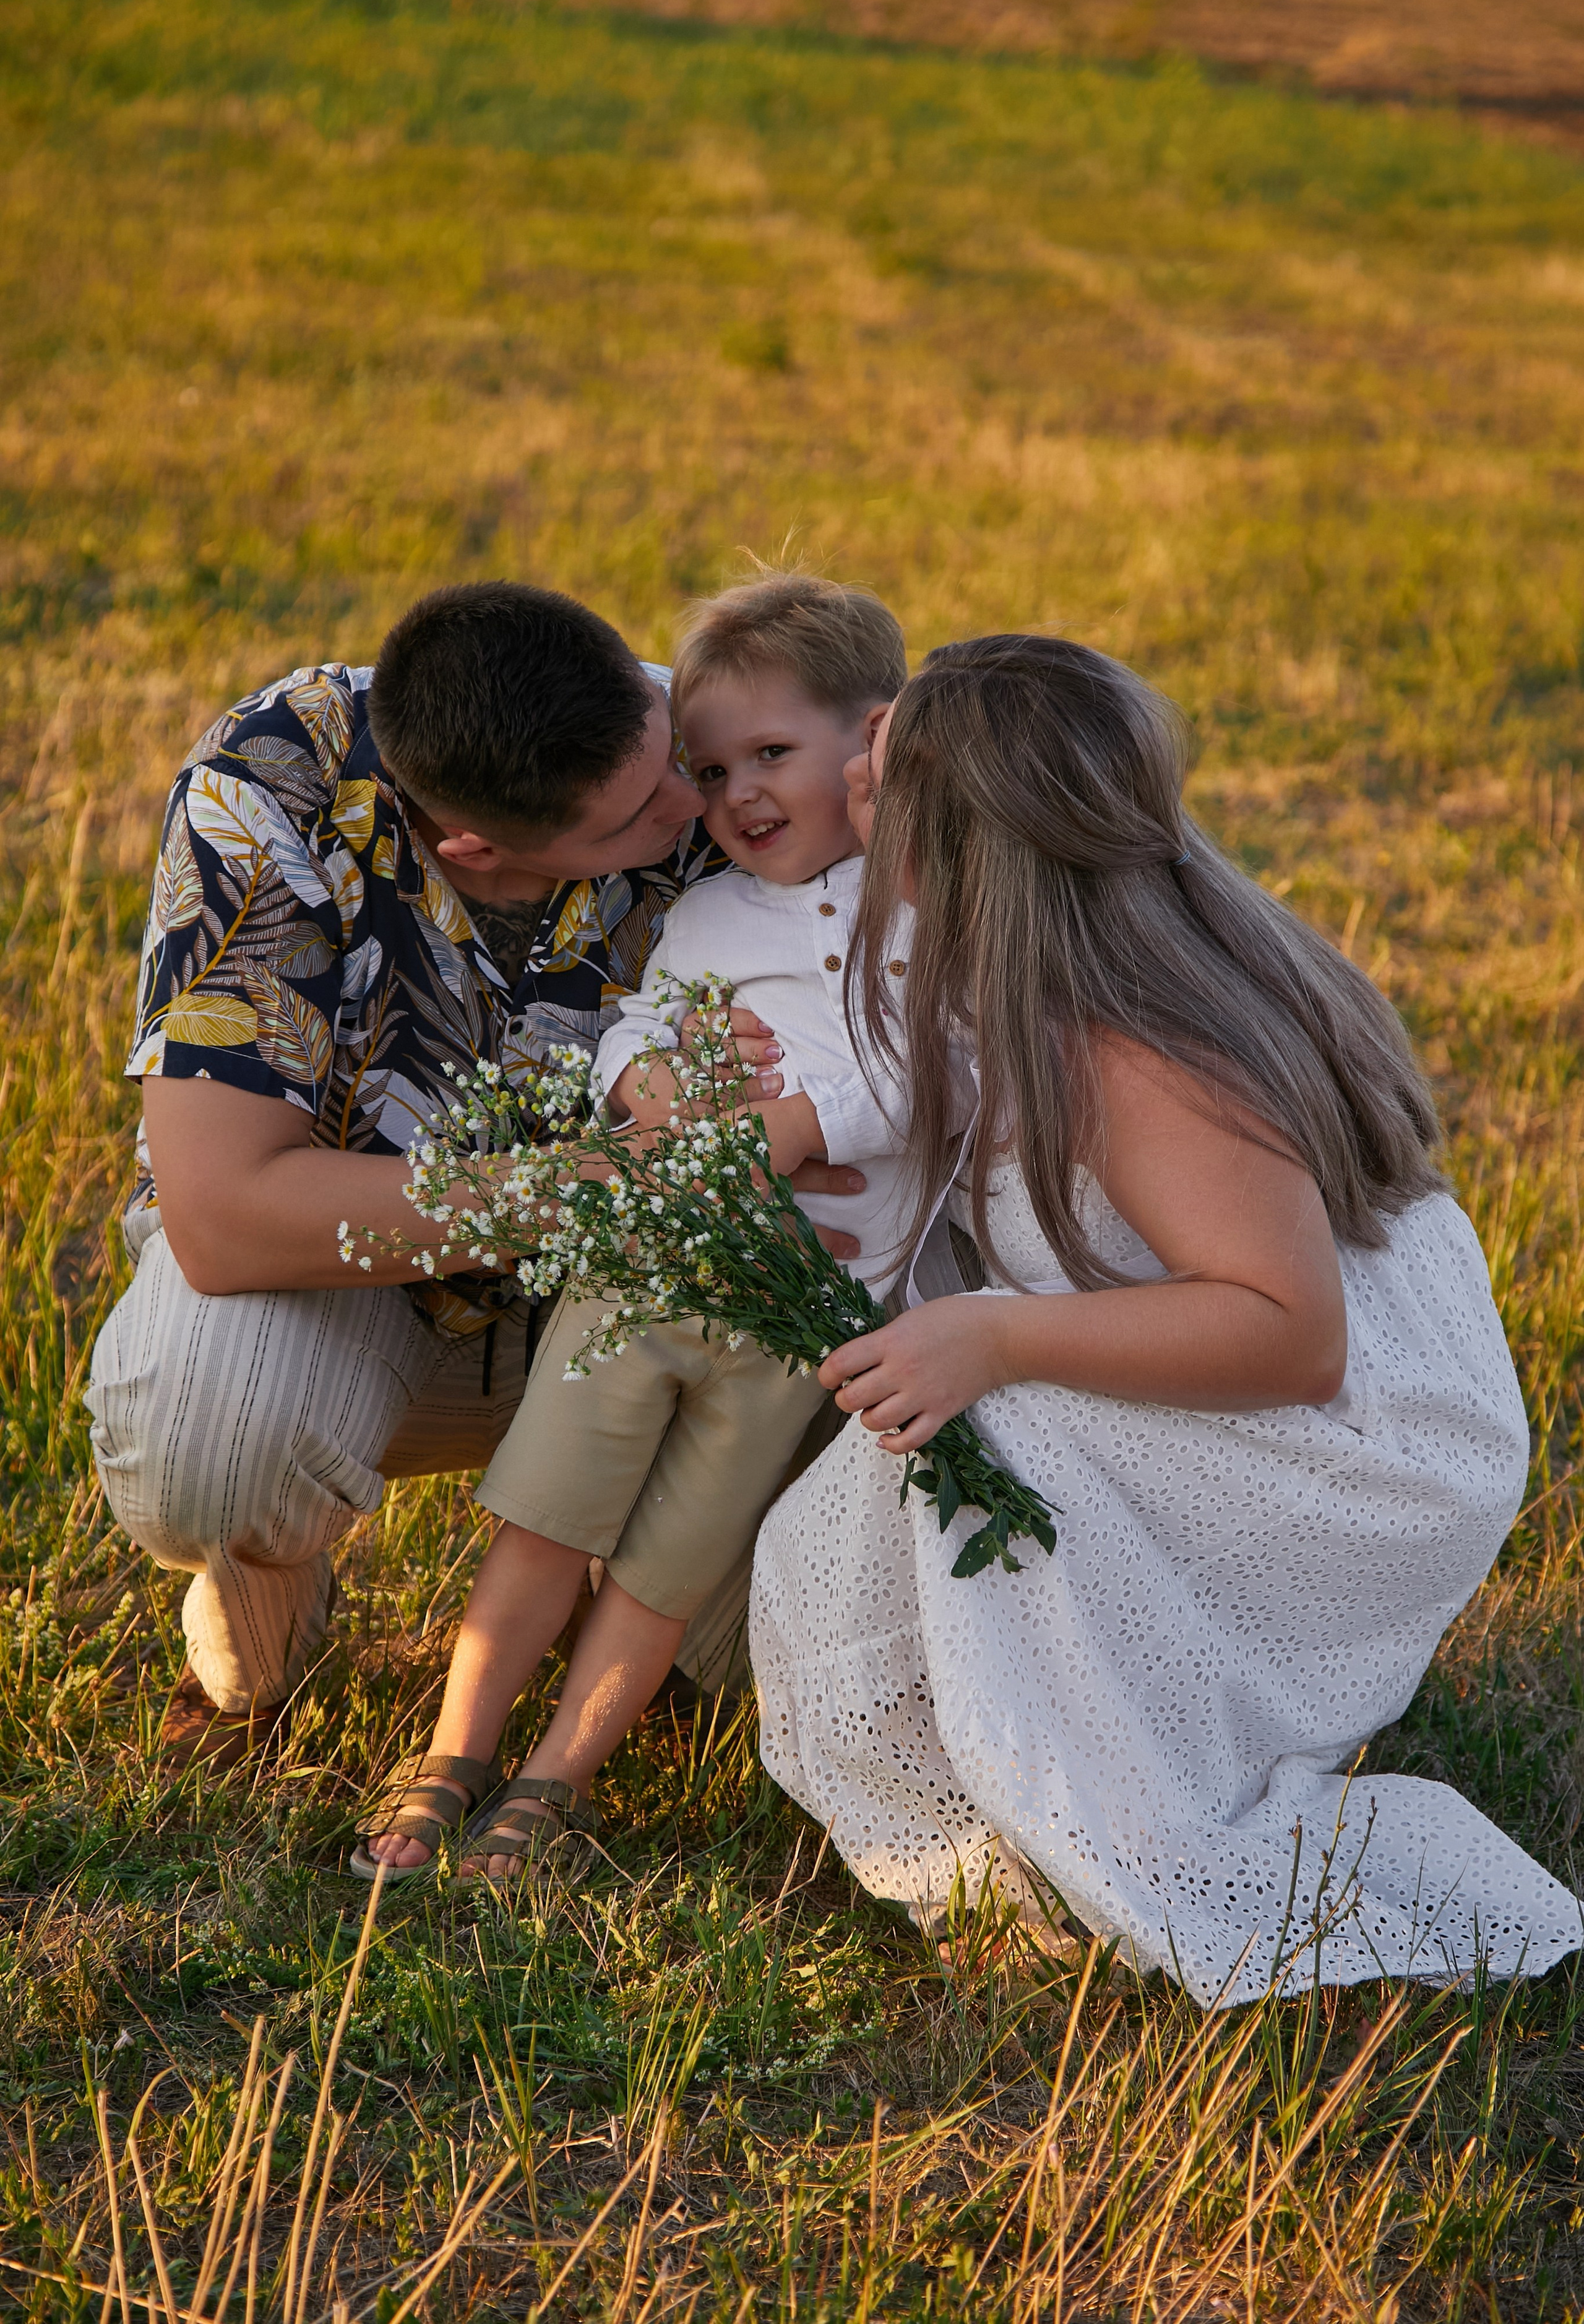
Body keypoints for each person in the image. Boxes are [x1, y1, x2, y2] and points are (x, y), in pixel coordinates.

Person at [750, 633, 1583, 2006]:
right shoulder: (1055, 951)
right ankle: (1017, 1740)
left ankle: (1102, 1815)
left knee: (994, 1444)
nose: (848, 773)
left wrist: (998, 1335)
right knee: (870, 1502)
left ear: (950, 846)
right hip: (1293, 1379)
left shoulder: (1129, 1049)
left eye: (878, 771)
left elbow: (1289, 1336)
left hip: (1357, 1436)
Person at [87, 580, 861, 1765]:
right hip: (360, 1301)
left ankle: (614, 1593)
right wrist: (601, 1187)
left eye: (674, 758)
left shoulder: (702, 735)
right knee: (208, 1437)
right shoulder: (279, 777)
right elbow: (223, 1217)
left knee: (821, 1628)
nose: (694, 803)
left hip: (664, 1308)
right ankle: (269, 1586)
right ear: (475, 847)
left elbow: (968, 805)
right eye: (635, 817)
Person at [356, 572, 910, 1881]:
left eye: (771, 754)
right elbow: (640, 1021)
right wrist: (644, 1081)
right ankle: (452, 1752)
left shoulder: (933, 907)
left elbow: (943, 1074)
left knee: (668, 1568)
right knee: (544, 1517)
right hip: (651, 1270)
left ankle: (554, 1782)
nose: (735, 798)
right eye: (711, 771)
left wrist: (783, 1129)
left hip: (803, 1320)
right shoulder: (710, 908)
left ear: (875, 741)